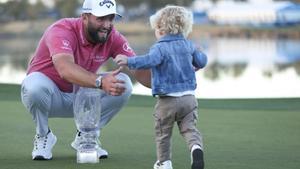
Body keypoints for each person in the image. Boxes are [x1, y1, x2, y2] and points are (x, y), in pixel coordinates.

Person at [20, 0, 150, 160]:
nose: (107, 25)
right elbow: (65, 68)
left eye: (111, 18)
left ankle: (87, 136)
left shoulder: (113, 37)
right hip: (49, 97)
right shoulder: (62, 29)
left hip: (82, 98)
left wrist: (171, 81)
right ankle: (43, 135)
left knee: (124, 82)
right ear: (85, 17)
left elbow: (139, 70)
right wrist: (101, 82)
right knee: (34, 86)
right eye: (101, 18)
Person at [114, 5, 207, 169]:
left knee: (163, 133)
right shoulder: (189, 45)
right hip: (189, 98)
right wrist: (200, 53)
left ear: (160, 29)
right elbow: (200, 62)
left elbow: (148, 61)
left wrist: (128, 60)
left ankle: (164, 162)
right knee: (189, 129)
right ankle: (195, 148)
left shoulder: (159, 47)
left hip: (167, 100)